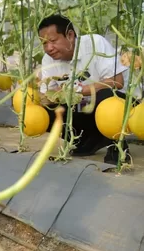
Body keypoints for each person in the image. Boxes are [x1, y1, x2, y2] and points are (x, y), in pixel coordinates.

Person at [37, 14, 130, 164]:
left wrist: (85, 90)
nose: (49, 48)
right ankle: (87, 139)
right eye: (44, 43)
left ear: (70, 35)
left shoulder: (95, 43)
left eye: (53, 41)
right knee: (44, 112)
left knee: (105, 94)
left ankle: (117, 146)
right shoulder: (48, 60)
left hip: (119, 106)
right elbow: (46, 97)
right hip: (85, 109)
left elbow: (117, 82)